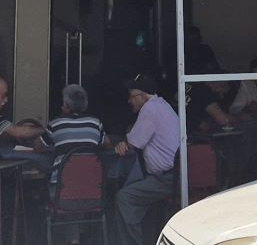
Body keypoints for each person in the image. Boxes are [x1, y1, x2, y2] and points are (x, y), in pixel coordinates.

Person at [112, 74, 179, 245]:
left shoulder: (150, 109)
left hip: (167, 178)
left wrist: (123, 142)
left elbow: (134, 143)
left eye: (132, 97)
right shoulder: (162, 105)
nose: (129, 101)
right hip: (170, 175)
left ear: (142, 96)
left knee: (124, 197)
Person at [46, 84, 106, 156]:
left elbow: (38, 147)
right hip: (91, 163)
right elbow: (107, 144)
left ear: (66, 104)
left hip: (64, 163)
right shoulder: (95, 122)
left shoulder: (55, 123)